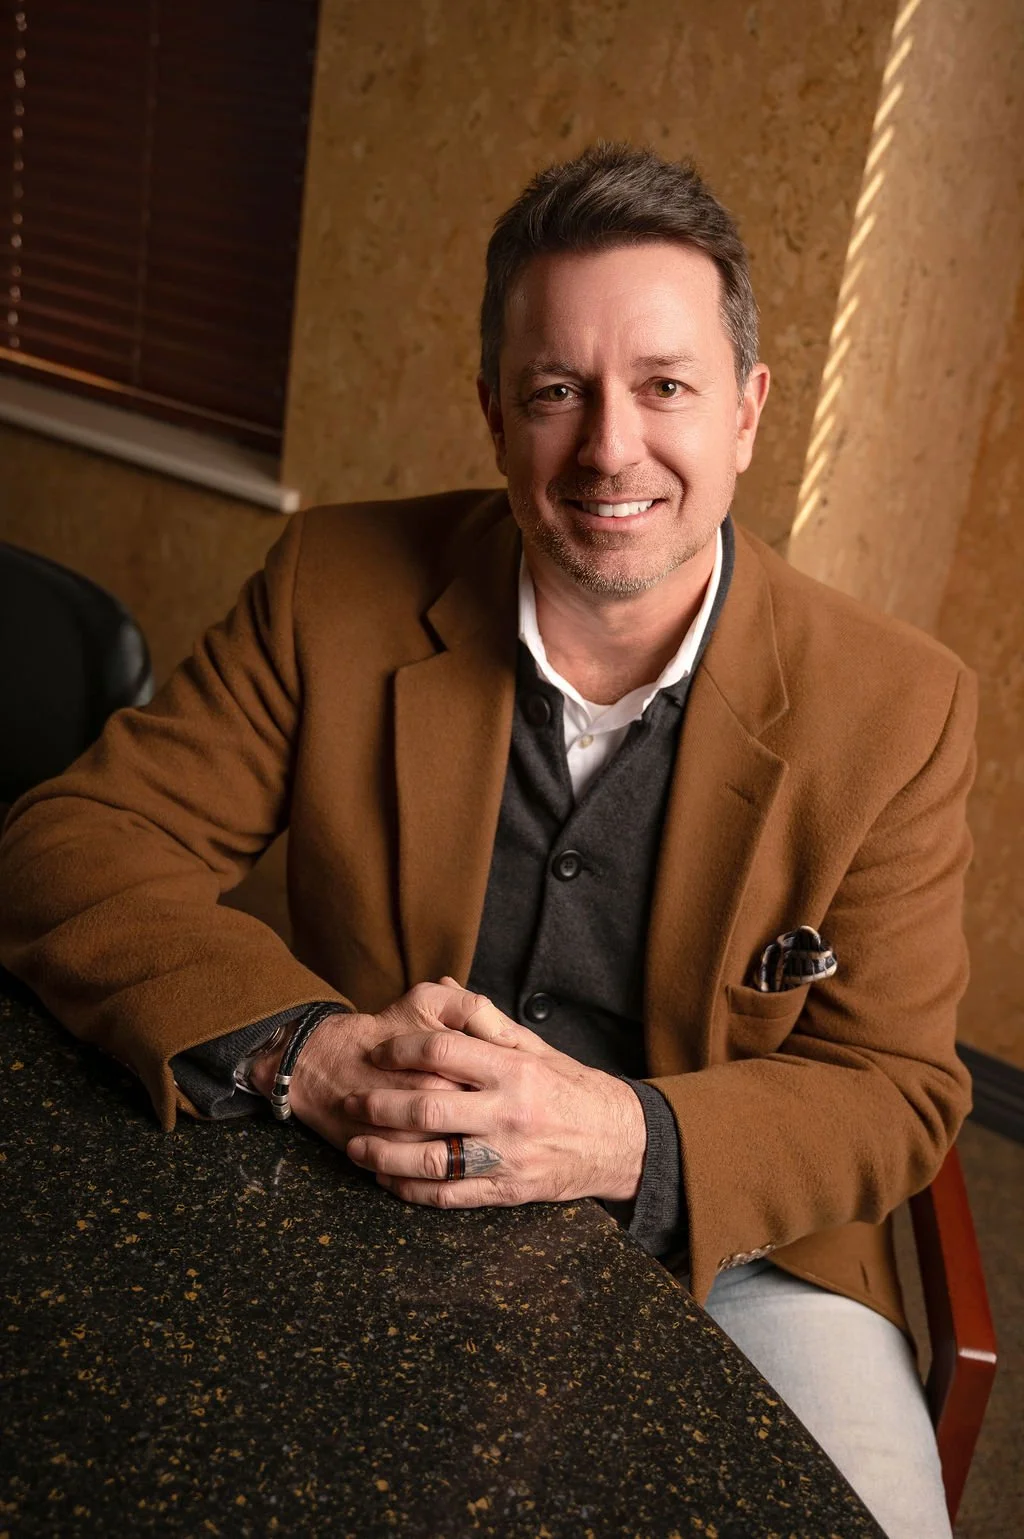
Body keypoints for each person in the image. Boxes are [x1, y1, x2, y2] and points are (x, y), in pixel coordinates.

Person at [0, 144, 973, 1538]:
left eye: (666, 386)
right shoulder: (331, 583)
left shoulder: (901, 705)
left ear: (748, 414)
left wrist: (620, 1136)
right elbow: (73, 841)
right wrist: (309, 1053)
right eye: (557, 390)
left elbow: (895, 1090)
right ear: (494, 415)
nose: (610, 448)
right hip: (363, 1182)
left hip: (744, 1252)